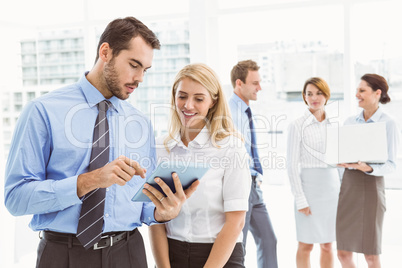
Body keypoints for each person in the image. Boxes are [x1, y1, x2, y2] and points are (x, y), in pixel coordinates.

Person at [4, 16, 199, 268]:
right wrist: (91, 180)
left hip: (128, 253)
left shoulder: (140, 124)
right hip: (63, 255)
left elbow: (143, 205)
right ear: (105, 52)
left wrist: (162, 212)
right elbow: (16, 199)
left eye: (145, 70)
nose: (140, 78)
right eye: (133, 65)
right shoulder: (43, 111)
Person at [148, 63, 251, 268]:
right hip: (171, 254)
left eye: (199, 99)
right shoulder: (159, 147)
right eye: (182, 96)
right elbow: (154, 217)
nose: (188, 105)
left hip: (220, 256)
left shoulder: (230, 148)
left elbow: (236, 221)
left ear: (213, 101)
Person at [336, 74, 400, 268]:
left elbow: (391, 164)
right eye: (357, 90)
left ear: (377, 93)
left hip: (372, 188)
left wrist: (369, 168)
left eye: (362, 90)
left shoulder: (388, 123)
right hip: (348, 187)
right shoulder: (349, 122)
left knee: (371, 255)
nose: (357, 94)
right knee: (343, 252)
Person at [228, 60, 278, 268]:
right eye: (255, 83)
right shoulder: (229, 111)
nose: (260, 88)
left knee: (268, 240)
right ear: (239, 83)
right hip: (241, 184)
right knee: (240, 245)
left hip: (254, 185)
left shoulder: (247, 111)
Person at [286, 77, 340, 268]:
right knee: (305, 245)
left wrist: (343, 191)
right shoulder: (297, 125)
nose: (314, 97)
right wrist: (300, 198)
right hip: (309, 190)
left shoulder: (335, 124)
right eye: (309, 94)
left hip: (331, 191)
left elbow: (339, 163)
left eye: (318, 93)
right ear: (304, 97)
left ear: (326, 95)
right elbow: (291, 165)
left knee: (327, 245)